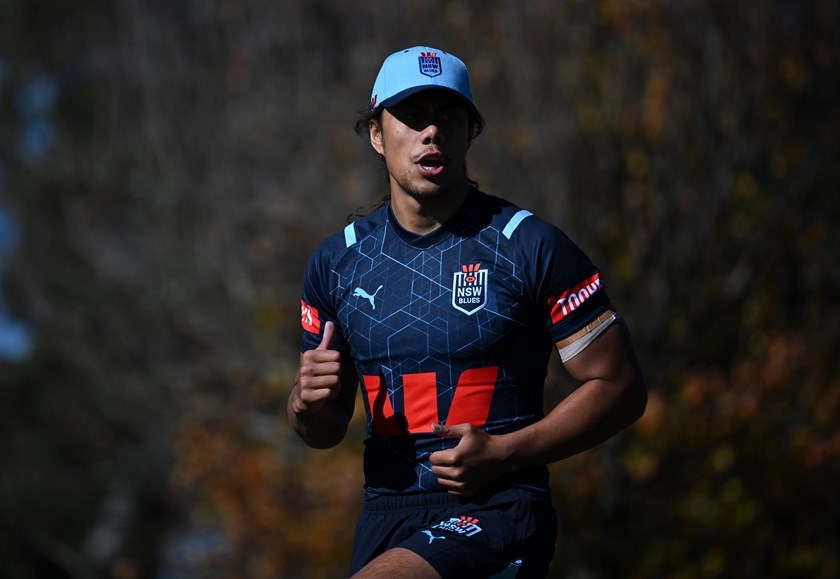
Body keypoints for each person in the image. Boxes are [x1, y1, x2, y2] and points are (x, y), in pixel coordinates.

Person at [287, 45, 647, 578]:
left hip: (499, 508)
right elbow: (325, 428)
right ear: (377, 134)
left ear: (469, 133)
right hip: (385, 517)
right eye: (413, 116)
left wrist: (504, 452)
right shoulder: (336, 262)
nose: (431, 131)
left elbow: (621, 387)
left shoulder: (529, 246)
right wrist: (303, 406)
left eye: (450, 117)